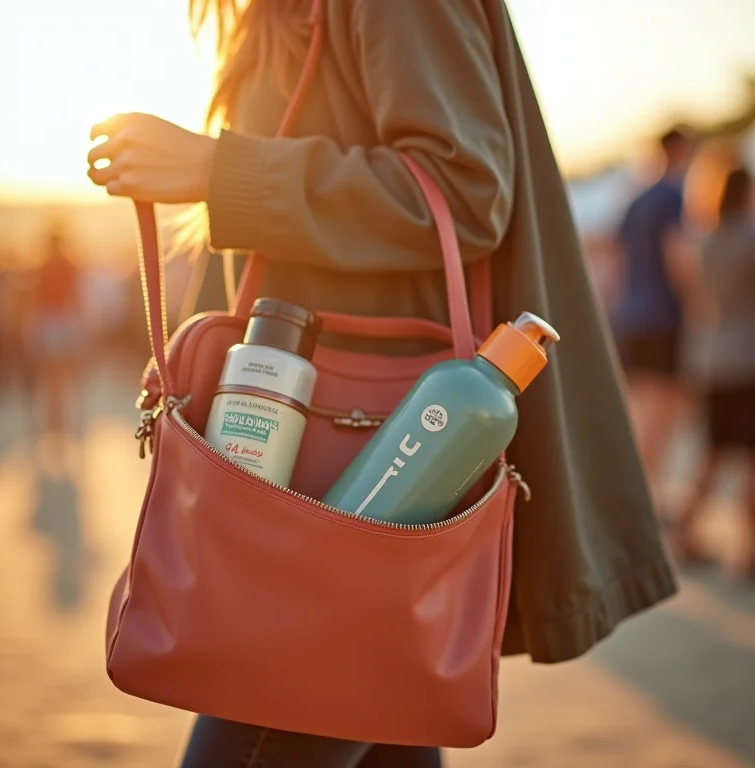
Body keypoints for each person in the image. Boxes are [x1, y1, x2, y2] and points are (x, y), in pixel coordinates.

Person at [87, 1, 676, 765]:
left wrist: (214, 169)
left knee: (290, 701)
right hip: (325, 455)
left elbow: (464, 189)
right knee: (376, 705)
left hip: (383, 450)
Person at [674, 167, 755, 579]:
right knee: (748, 459)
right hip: (746, 361)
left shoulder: (703, 241)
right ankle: (747, 552)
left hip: (710, 357)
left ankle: (685, 533)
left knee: (710, 452)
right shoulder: (748, 239)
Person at [612, 128, 698, 513]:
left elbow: (616, 258)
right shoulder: (672, 196)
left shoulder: (637, 199)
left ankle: (638, 493)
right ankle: (647, 499)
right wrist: (700, 305)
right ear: (682, 149)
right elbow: (676, 254)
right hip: (663, 317)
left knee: (642, 409)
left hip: (631, 317)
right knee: (662, 413)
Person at [24, 222, 83, 435]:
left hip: (50, 318)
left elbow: (34, 296)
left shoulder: (44, 264)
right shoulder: (68, 263)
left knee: (51, 370)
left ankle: (54, 414)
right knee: (62, 370)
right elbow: (76, 294)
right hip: (61, 317)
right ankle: (60, 413)